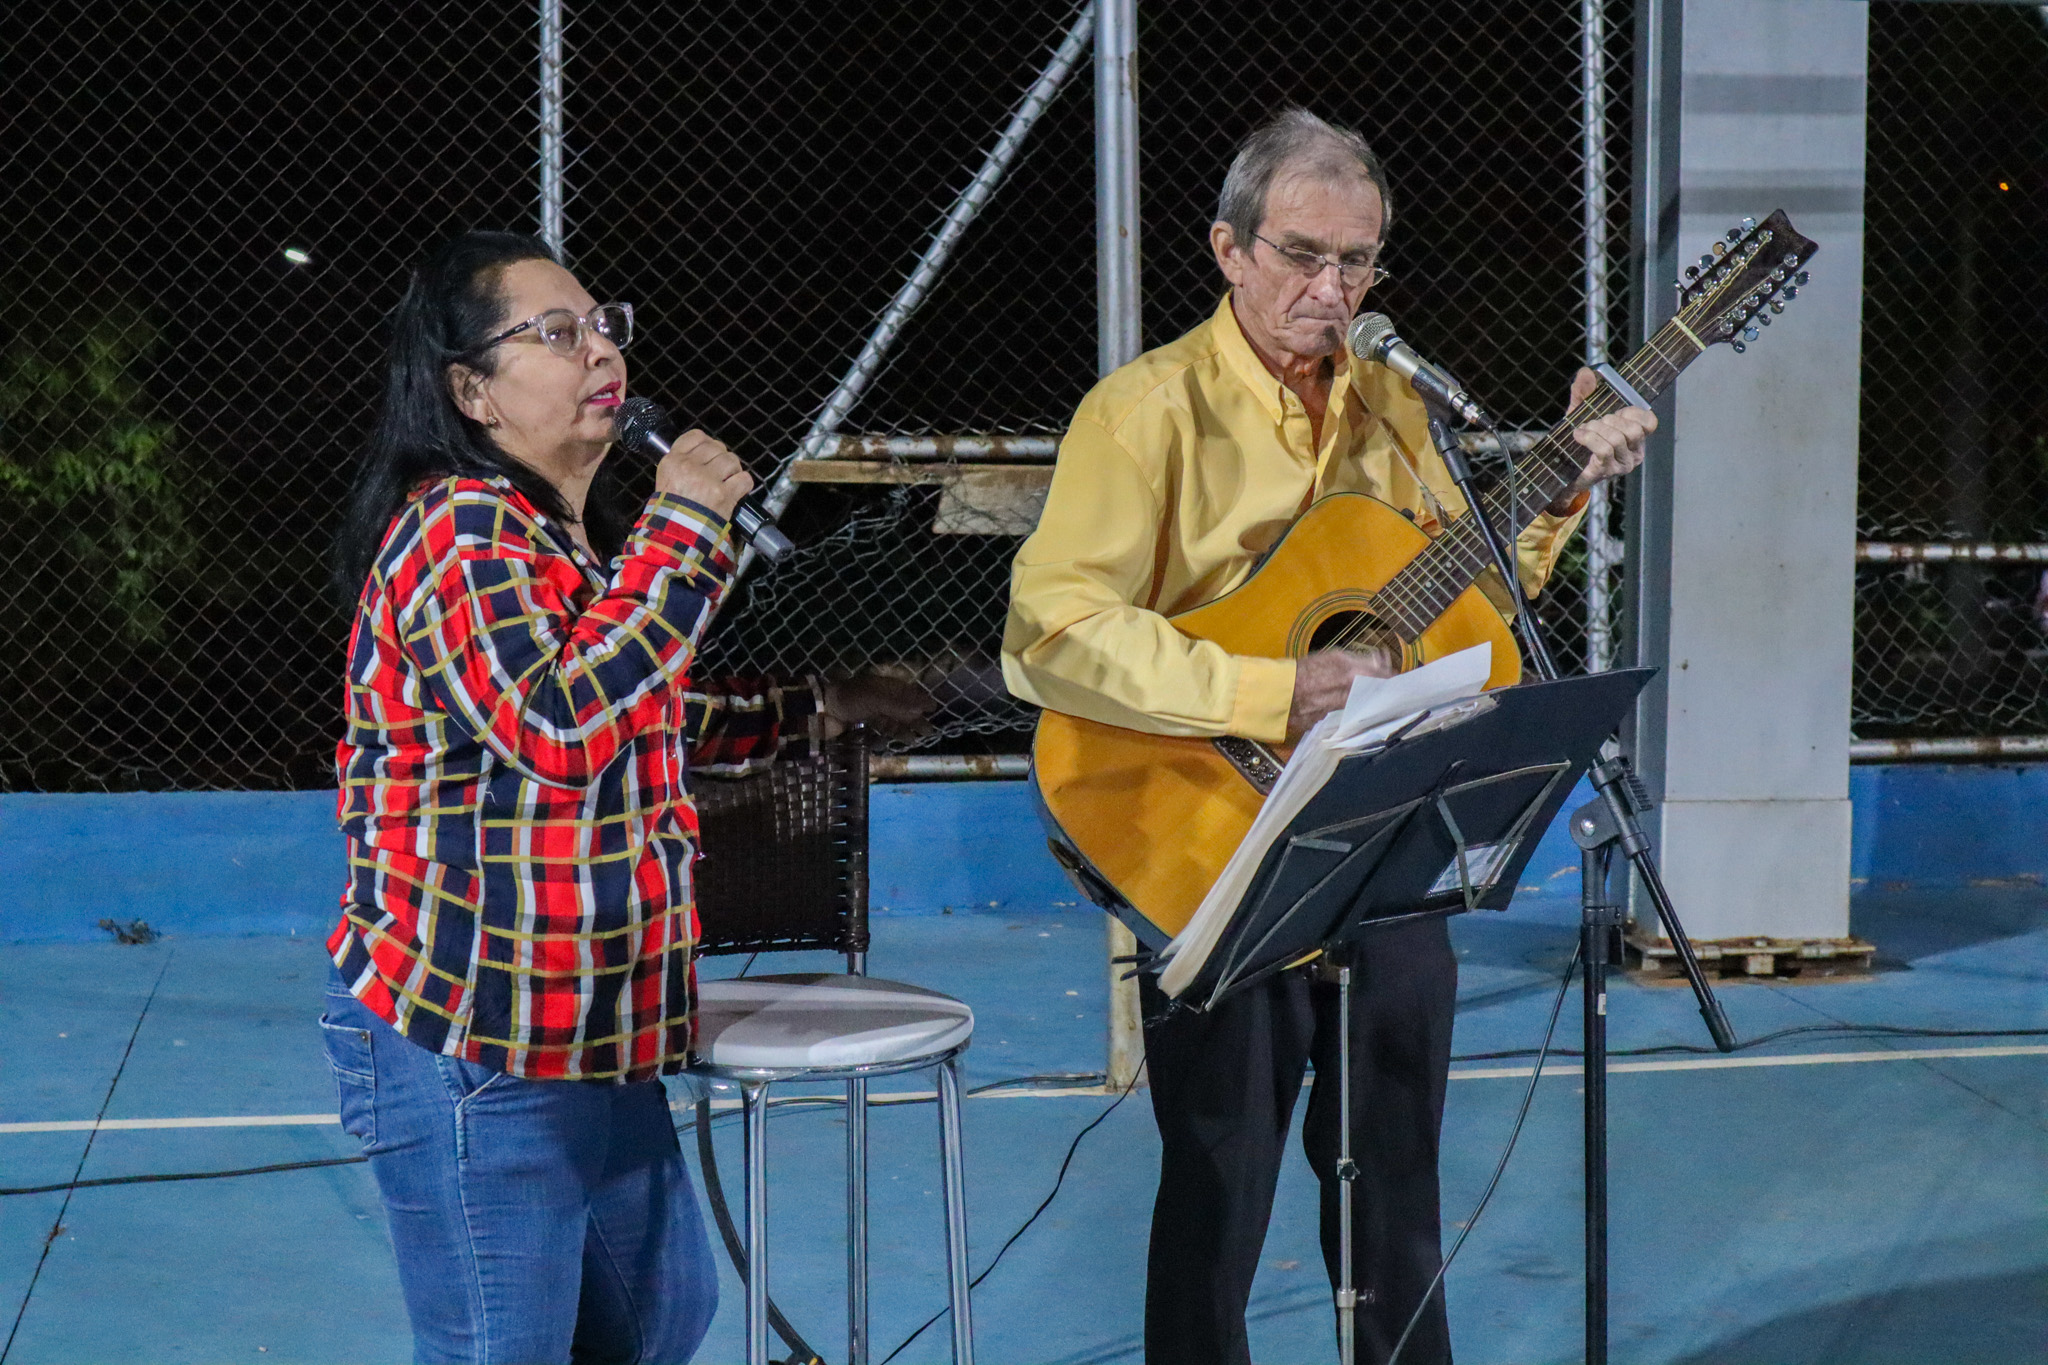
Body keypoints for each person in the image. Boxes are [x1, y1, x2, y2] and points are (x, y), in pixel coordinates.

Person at [1001, 109, 1655, 1365]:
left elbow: (1469, 590)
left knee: (1396, 1181)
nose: (1331, 289)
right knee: (1221, 1189)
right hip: (1210, 840)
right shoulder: (1144, 415)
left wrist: (1560, 487)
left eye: (1357, 261)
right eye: (1301, 255)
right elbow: (1053, 632)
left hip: (1383, 837)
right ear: (1227, 250)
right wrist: (1268, 690)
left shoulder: (1397, 405)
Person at [323, 230, 924, 1364]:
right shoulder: (456, 533)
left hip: (595, 1034)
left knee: (656, 1322)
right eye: (555, 333)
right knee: (506, 1348)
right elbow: (558, 728)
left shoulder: (553, 543)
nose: (599, 349)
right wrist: (686, 526)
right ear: (472, 392)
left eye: (605, 324)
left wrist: (818, 708)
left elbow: (634, 704)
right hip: (476, 1042)